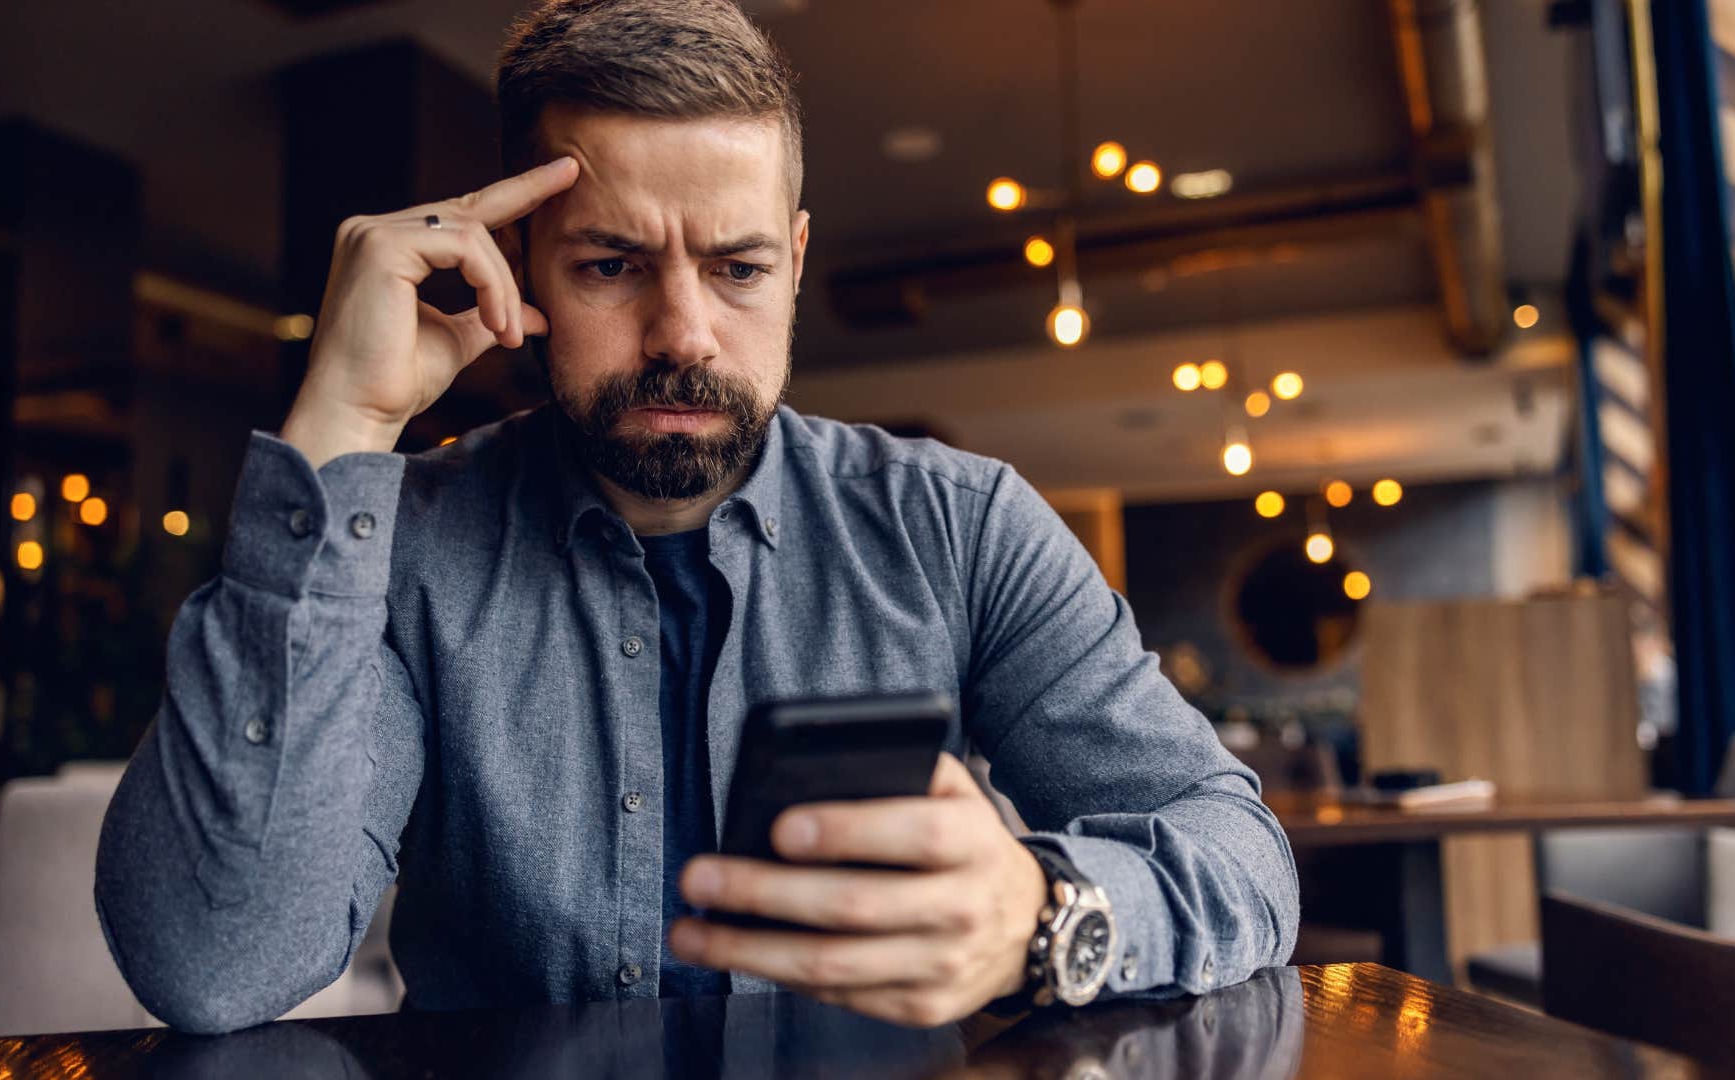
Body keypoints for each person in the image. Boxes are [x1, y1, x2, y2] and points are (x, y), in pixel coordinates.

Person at [93, 0, 1297, 1034]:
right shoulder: (407, 547)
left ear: (798, 257)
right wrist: (341, 427)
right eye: (611, 266)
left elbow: (1241, 856)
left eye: (739, 267)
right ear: (515, 264)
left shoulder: (960, 526)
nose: (683, 335)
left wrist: (1046, 919)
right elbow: (211, 962)